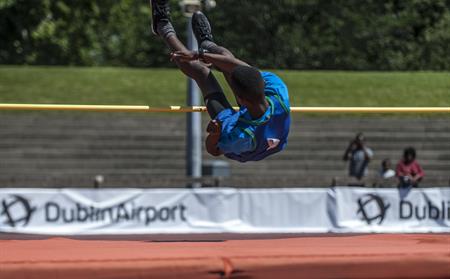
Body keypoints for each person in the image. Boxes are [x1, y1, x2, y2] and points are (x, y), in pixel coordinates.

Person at [150, 0, 290, 162]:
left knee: (202, 72)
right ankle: (207, 43)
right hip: (259, 129)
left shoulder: (239, 136)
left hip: (246, 143)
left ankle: (162, 26)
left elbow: (214, 150)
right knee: (228, 60)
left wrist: (215, 134)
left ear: (240, 100)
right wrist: (200, 54)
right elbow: (239, 66)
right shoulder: (277, 90)